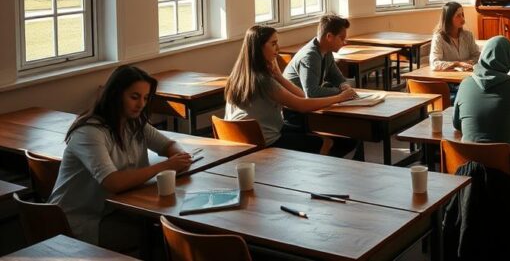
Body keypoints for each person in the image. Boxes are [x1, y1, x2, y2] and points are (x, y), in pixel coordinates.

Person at [49, 65, 194, 247]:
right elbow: (113, 182)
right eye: (134, 97)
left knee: (169, 230)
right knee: (161, 237)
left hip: (116, 210)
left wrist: (178, 155)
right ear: (116, 94)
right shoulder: (90, 132)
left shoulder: (134, 123)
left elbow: (169, 144)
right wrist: (165, 166)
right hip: (80, 222)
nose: (141, 104)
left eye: (145, 98)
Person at [224, 25, 357, 154]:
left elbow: (303, 96)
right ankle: (319, 173)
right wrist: (340, 97)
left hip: (238, 141)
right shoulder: (264, 81)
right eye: (273, 44)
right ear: (259, 48)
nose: (278, 48)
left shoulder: (236, 77)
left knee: (306, 133)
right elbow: (302, 105)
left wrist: (279, 76)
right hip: (266, 143)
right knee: (328, 142)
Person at [453, 36, 510, 159]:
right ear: (509, 59)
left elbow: (457, 124)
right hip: (503, 170)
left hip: (468, 168)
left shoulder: (465, 84)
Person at [283, 14, 352, 98]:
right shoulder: (310, 56)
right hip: (294, 106)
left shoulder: (327, 51)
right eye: (341, 38)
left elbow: (336, 76)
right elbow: (311, 92)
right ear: (329, 37)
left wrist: (344, 85)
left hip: (308, 103)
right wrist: (340, 92)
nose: (344, 42)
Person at [430, 1, 481, 71]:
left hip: (467, 74)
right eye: (458, 16)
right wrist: (457, 64)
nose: (463, 19)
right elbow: (434, 63)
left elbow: (477, 55)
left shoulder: (468, 35)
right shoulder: (439, 38)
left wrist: (470, 62)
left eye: (462, 15)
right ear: (448, 19)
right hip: (447, 78)